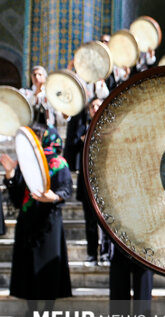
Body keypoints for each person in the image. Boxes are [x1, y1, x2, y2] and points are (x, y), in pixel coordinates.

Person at [1, 124, 73, 317]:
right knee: (27, 266)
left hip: (49, 223)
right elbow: (16, 199)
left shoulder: (58, 163)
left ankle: (48, 310)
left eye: (36, 137)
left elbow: (65, 189)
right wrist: (9, 174)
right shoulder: (25, 164)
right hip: (27, 222)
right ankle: (32, 310)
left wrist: (53, 197)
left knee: (48, 268)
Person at [64, 98, 110, 266]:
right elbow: (72, 145)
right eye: (92, 106)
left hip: (103, 182)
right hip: (86, 180)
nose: (95, 108)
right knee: (89, 221)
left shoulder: (108, 126)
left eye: (98, 105)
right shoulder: (82, 126)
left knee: (104, 221)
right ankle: (92, 254)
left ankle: (105, 253)